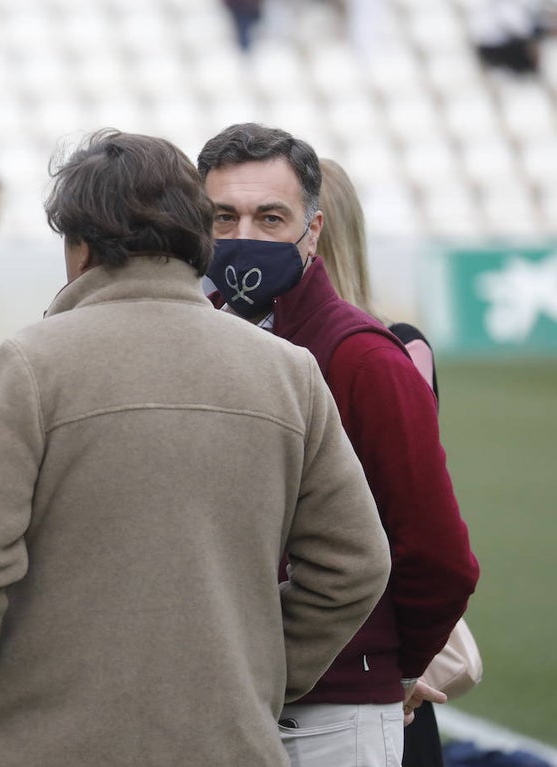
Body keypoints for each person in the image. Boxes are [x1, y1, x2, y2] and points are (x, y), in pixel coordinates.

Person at [0, 129, 393, 765]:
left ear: (79, 244)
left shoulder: (31, 365)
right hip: (232, 743)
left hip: (44, 742)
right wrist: (256, 674)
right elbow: (356, 563)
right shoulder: (288, 371)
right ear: (199, 234)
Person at [197, 123, 480, 767]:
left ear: (313, 229)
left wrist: (387, 669)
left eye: (271, 217)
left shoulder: (363, 359)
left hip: (330, 720)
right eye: (223, 217)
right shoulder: (197, 343)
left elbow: (438, 553)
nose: (244, 237)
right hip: (221, 704)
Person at [318, 156, 455, 767]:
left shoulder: (382, 353)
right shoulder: (399, 345)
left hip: (365, 658)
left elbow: (408, 521)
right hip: (379, 653)